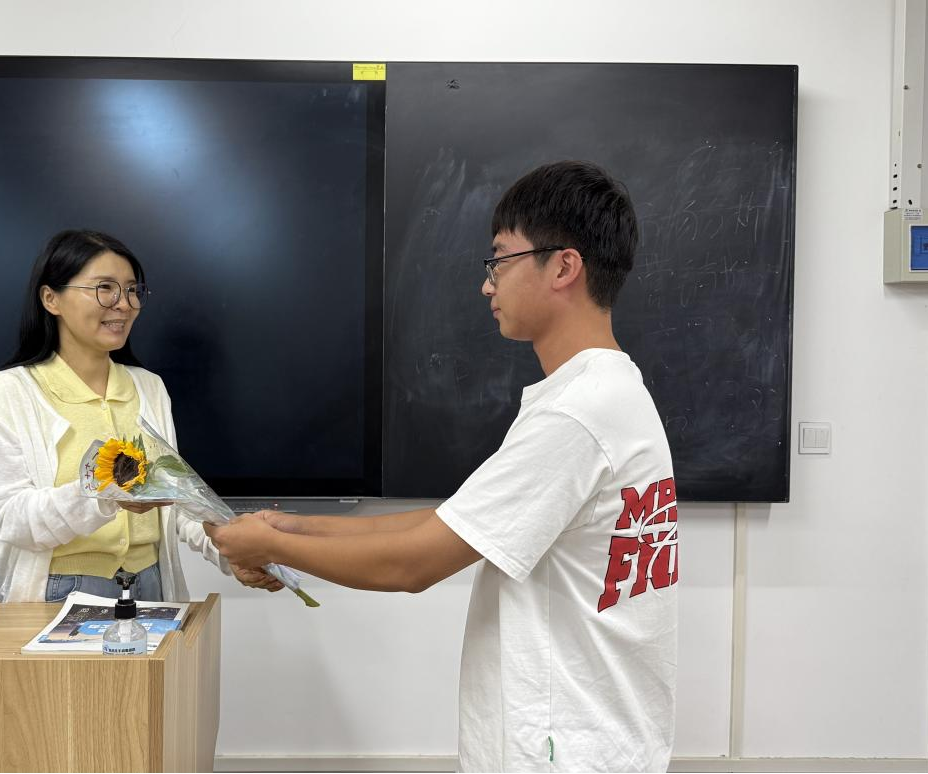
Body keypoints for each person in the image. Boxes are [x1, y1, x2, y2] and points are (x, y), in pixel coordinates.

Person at [205, 161, 679, 771]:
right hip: (594, 740)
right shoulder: (607, 392)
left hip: (563, 749)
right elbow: (452, 523)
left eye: (500, 260)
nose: (487, 285)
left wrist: (268, 545)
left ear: (563, 267)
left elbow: (415, 564)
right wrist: (294, 527)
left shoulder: (576, 415)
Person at [0, 229, 280, 603]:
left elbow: (176, 500)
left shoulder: (149, 387)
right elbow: (7, 516)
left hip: (150, 586)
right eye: (105, 288)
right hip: (59, 591)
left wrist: (232, 553)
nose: (124, 304)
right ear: (51, 298)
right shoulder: (13, 391)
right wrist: (105, 496)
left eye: (132, 291)